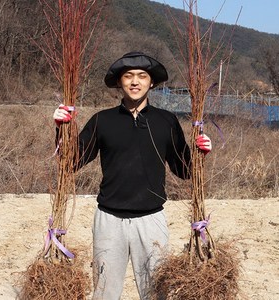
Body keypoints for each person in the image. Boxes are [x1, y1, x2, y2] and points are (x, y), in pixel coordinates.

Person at [53, 51, 212, 300]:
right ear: (120, 82)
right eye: (128, 76)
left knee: (156, 293)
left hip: (151, 221)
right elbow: (72, 163)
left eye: (142, 76)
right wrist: (61, 129)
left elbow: (184, 171)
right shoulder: (101, 121)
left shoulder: (167, 121)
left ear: (151, 83)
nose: (135, 82)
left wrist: (201, 153)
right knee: (104, 292)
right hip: (108, 220)